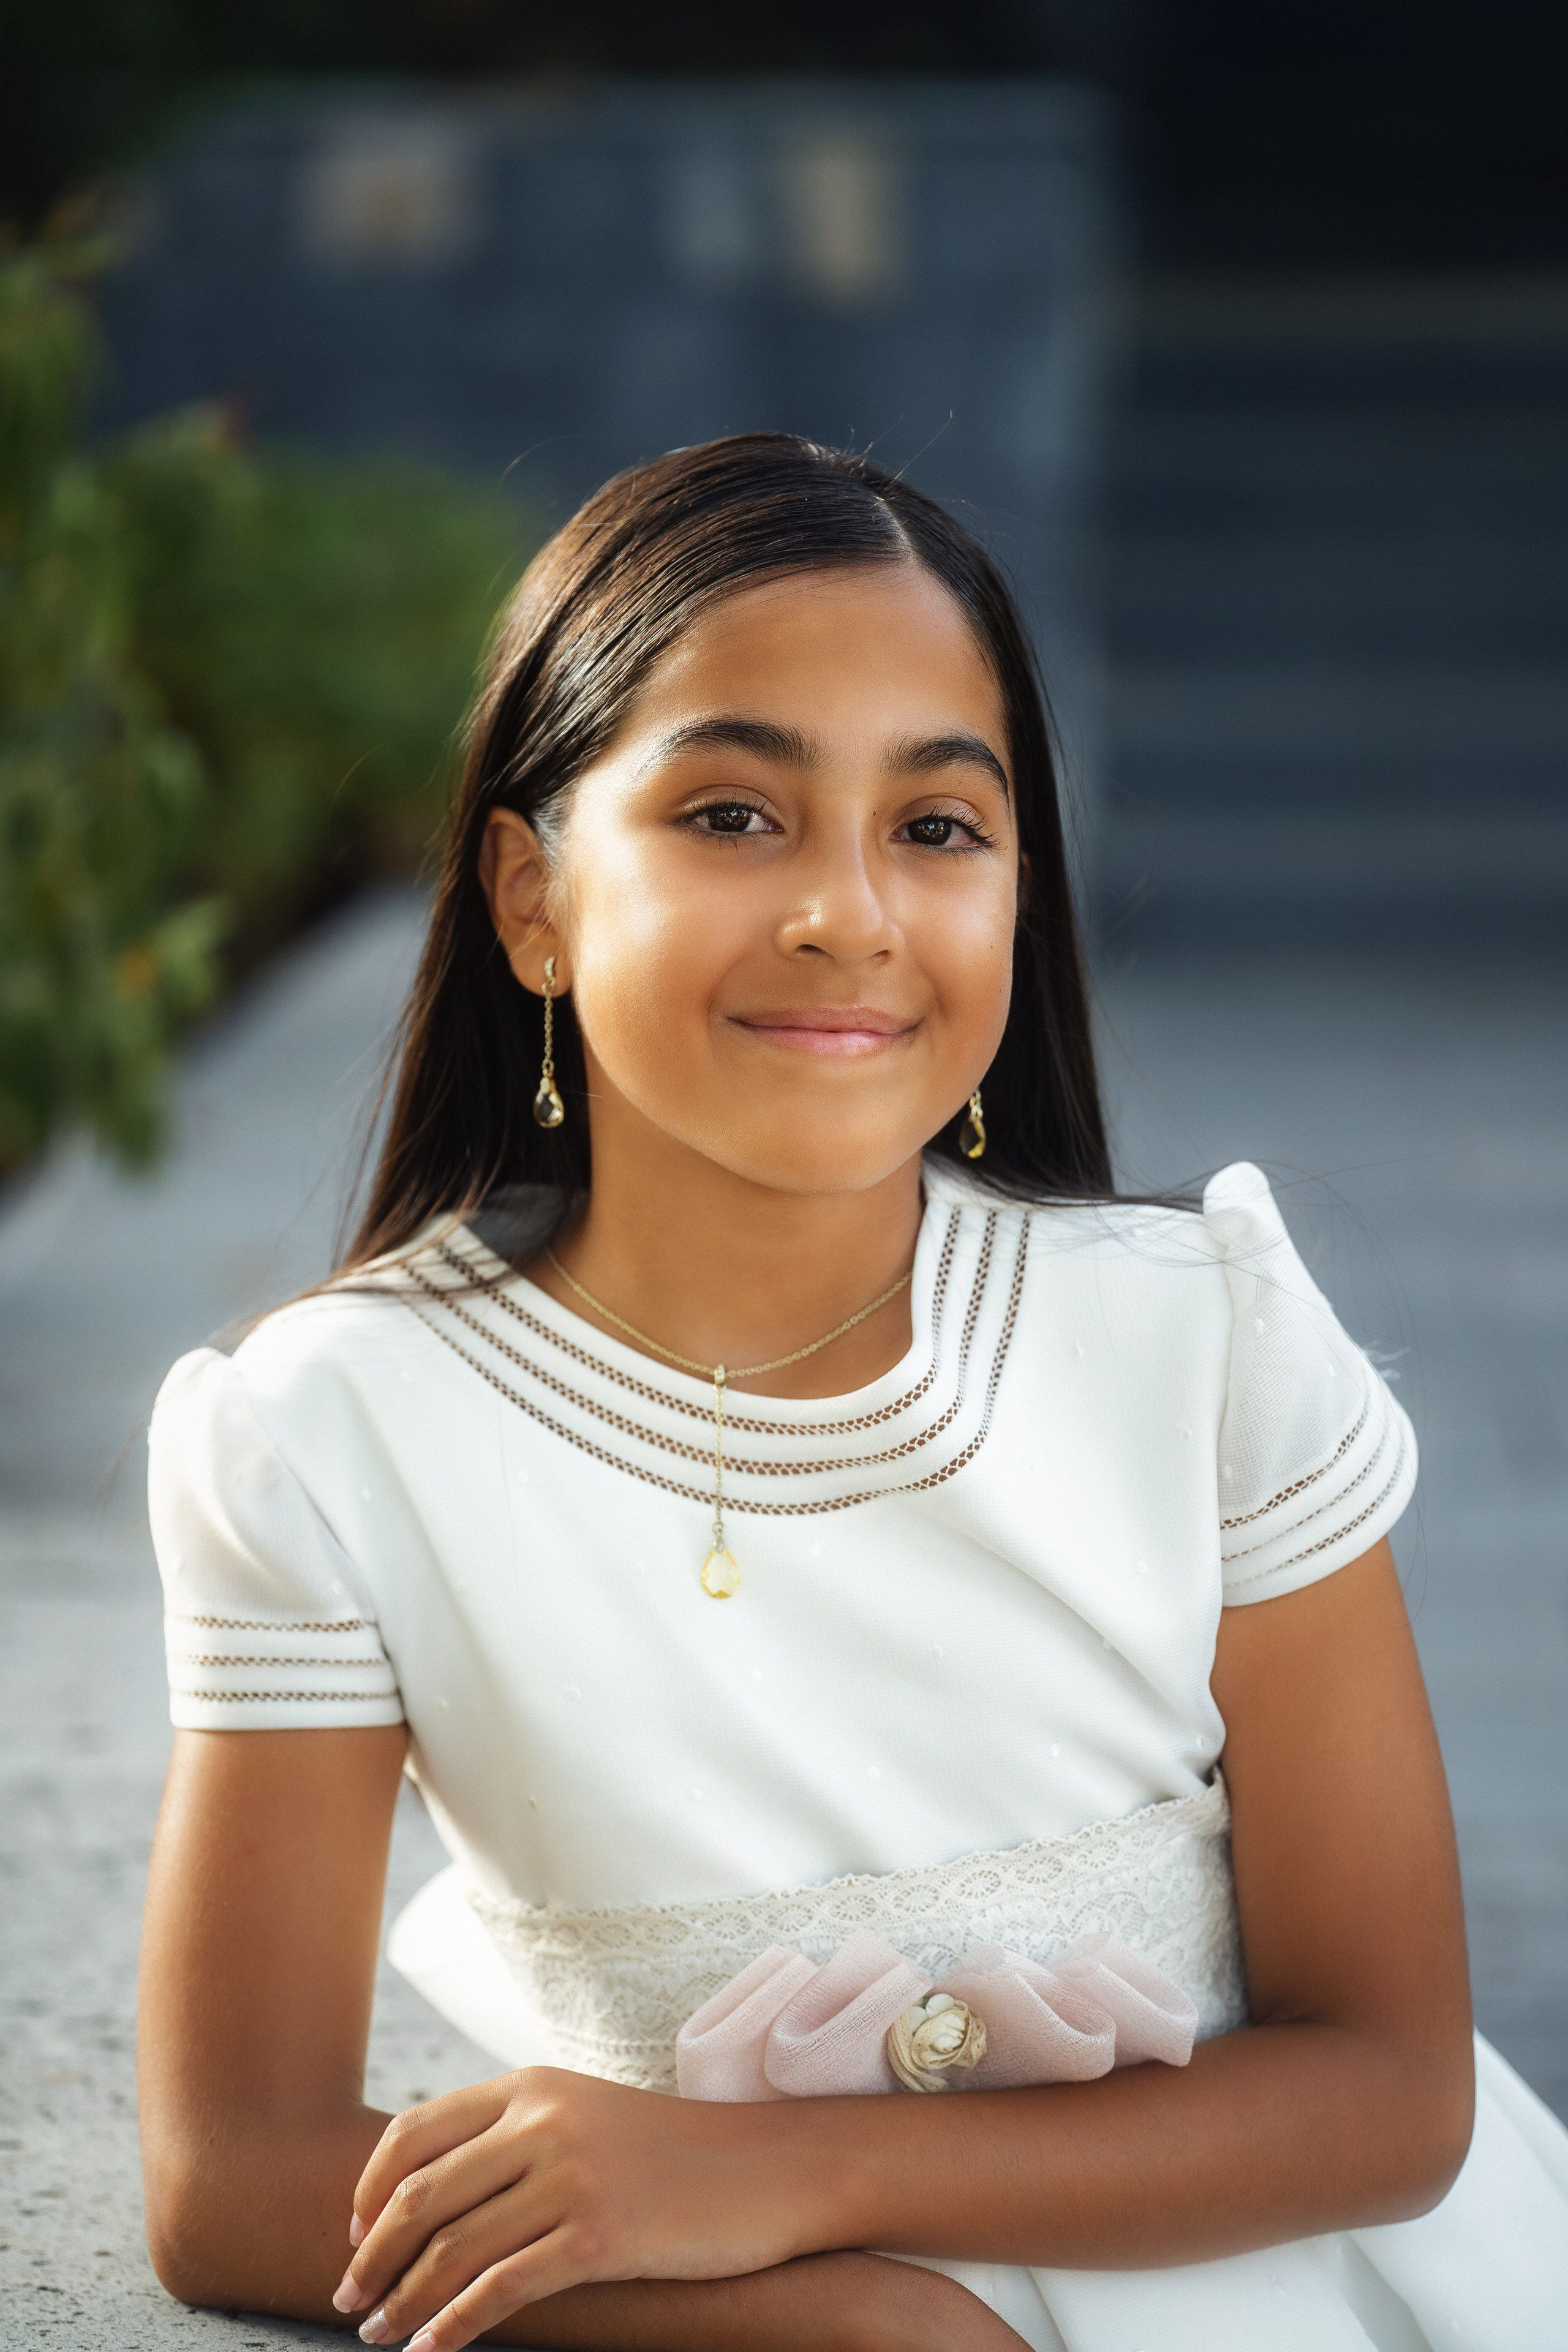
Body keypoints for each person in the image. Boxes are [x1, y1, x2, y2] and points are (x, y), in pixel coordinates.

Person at [137, 434, 1568, 2352]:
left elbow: (1394, 2087)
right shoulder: (326, 1438)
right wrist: (873, 2327)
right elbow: (236, 2180)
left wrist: (785, 2181)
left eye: (937, 827)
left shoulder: (1202, 1338)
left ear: (1013, 897)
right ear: (530, 894)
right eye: (735, 817)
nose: (849, 914)